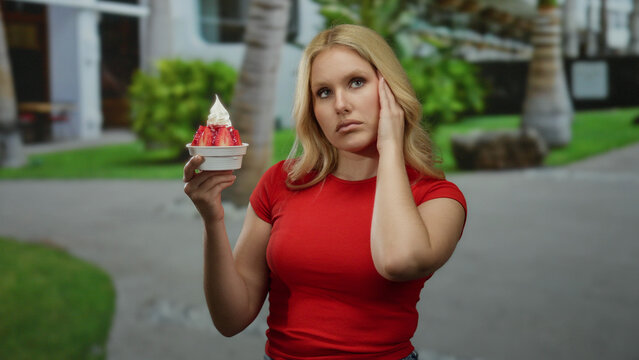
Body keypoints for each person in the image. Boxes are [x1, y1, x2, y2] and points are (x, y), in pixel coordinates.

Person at [183, 24, 467, 360]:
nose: (341, 105)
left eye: (356, 82)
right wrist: (212, 219)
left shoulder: (438, 198)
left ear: (389, 90)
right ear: (313, 110)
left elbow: (398, 261)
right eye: (324, 92)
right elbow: (231, 319)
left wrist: (390, 143)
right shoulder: (281, 182)